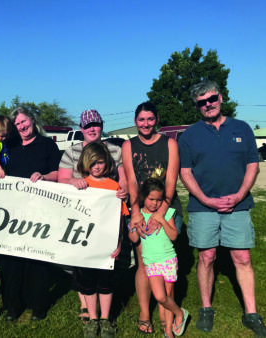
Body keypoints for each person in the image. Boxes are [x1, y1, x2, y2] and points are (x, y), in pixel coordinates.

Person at [179, 80, 266, 337]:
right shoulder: (189, 136)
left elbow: (253, 164)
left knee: (242, 258)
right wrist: (206, 200)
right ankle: (206, 308)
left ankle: (251, 313)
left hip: (238, 205)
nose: (207, 105)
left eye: (211, 99)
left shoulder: (241, 128)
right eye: (201, 103)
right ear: (197, 106)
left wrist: (240, 195)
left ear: (220, 98)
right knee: (206, 257)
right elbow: (185, 173)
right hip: (202, 207)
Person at [58, 109, 129, 325]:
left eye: (95, 124)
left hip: (107, 212)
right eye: (87, 126)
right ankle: (84, 303)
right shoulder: (72, 151)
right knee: (80, 260)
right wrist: (74, 182)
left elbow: (124, 179)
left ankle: (104, 311)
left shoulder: (116, 150)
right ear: (81, 129)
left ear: (101, 125)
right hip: (81, 214)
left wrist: (123, 190)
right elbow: (63, 180)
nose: (92, 129)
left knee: (107, 258)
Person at [121, 102, 182, 334]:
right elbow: (132, 181)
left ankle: (168, 315)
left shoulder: (170, 144)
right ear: (136, 121)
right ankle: (145, 313)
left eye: (150, 119)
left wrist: (159, 215)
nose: (145, 124)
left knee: (166, 262)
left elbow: (170, 183)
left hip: (165, 207)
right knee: (144, 262)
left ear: (156, 120)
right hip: (140, 209)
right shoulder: (129, 145)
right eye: (141, 119)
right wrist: (136, 212)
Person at [1, 107, 60, 322]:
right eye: (17, 124)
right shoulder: (10, 145)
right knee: (12, 258)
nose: (22, 127)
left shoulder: (47, 144)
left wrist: (44, 176)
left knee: (37, 257)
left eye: (24, 121)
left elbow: (58, 173)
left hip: (39, 210)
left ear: (33, 121)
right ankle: (12, 306)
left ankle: (38, 305)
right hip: (13, 210)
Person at [74, 142, 129, 338]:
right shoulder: (80, 186)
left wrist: (120, 242)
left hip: (107, 247)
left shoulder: (115, 187)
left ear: (107, 163)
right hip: (85, 246)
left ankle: (105, 320)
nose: (97, 166)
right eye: (93, 163)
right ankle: (92, 319)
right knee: (87, 284)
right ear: (85, 163)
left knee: (106, 284)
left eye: (100, 162)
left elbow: (120, 219)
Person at [129, 177, 188, 338]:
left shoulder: (167, 213)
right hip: (151, 262)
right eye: (151, 199)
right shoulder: (139, 216)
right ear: (143, 197)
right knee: (160, 297)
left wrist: (162, 219)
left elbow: (174, 236)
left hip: (168, 260)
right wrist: (134, 226)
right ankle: (179, 313)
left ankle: (168, 332)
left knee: (168, 295)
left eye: (159, 200)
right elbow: (134, 239)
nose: (155, 203)